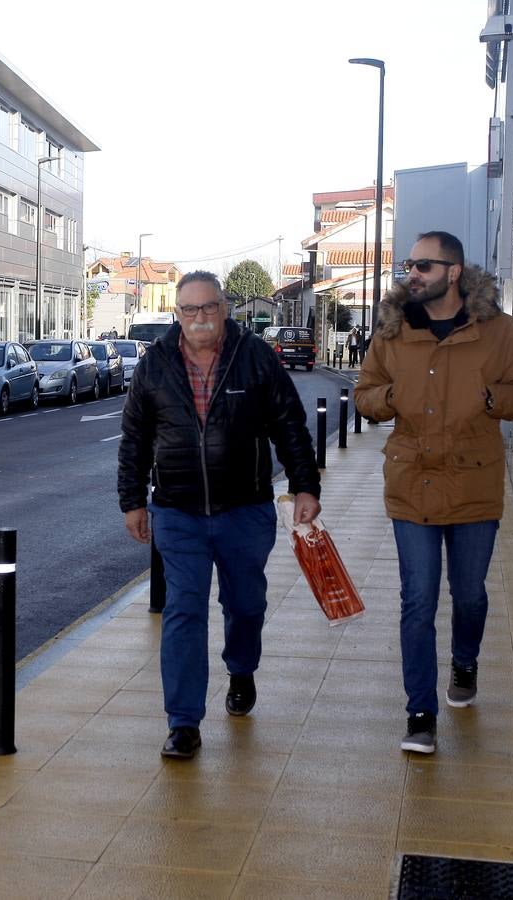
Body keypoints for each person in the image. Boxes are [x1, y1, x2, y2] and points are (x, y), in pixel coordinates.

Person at [355, 231, 513, 755]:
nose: (411, 274)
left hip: (473, 484)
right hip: (411, 483)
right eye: (409, 265)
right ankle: (420, 713)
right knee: (417, 600)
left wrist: (490, 398)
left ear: (454, 271)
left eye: (422, 265)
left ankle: (465, 661)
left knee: (468, 595)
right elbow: (365, 392)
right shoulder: (392, 331)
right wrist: (391, 397)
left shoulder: (499, 331)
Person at [118, 270, 321, 759]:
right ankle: (183, 722)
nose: (200, 318)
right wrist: (131, 501)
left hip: (245, 509)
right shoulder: (156, 365)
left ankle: (242, 668)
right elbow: (135, 439)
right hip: (178, 511)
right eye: (190, 310)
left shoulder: (254, 358)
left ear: (224, 308)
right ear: (177, 315)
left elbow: (288, 424)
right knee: (184, 611)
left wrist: (305, 485)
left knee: (245, 605)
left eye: (209, 307)